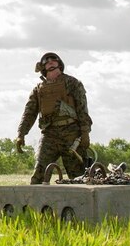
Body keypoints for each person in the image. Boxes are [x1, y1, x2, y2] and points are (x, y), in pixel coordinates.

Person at [15, 52, 92, 184]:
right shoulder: (38, 90)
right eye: (46, 60)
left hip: (72, 135)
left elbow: (82, 109)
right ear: (42, 67)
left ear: (59, 64)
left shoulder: (73, 83)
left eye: (53, 59)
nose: (50, 61)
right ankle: (35, 204)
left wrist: (85, 133)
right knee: (39, 173)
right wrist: (21, 134)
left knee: (78, 177)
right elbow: (29, 113)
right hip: (49, 135)